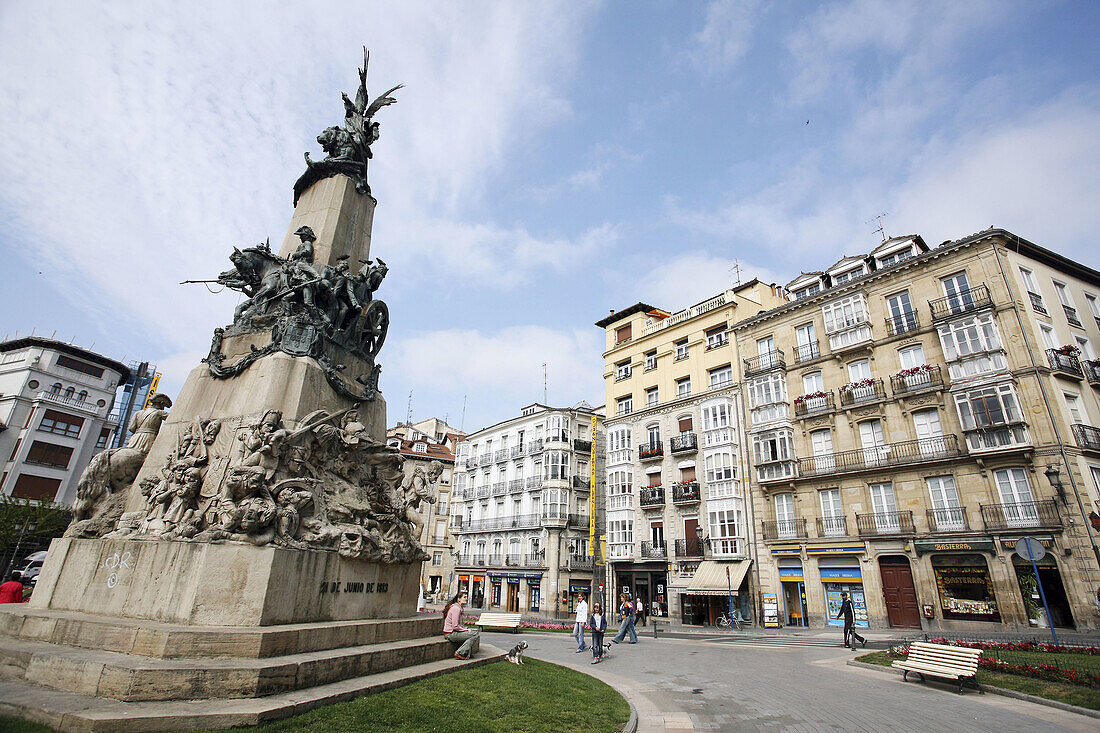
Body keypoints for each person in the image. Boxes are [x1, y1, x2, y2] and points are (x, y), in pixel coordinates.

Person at [442, 591, 479, 660]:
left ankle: (467, 653)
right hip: (450, 633)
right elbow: (455, 626)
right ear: (459, 599)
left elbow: (458, 625)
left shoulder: (458, 608)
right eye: (464, 597)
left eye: (466, 597)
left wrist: (466, 628)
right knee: (474, 634)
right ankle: (460, 652)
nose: (466, 599)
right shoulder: (456, 609)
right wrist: (466, 630)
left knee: (474, 631)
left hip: (452, 632)